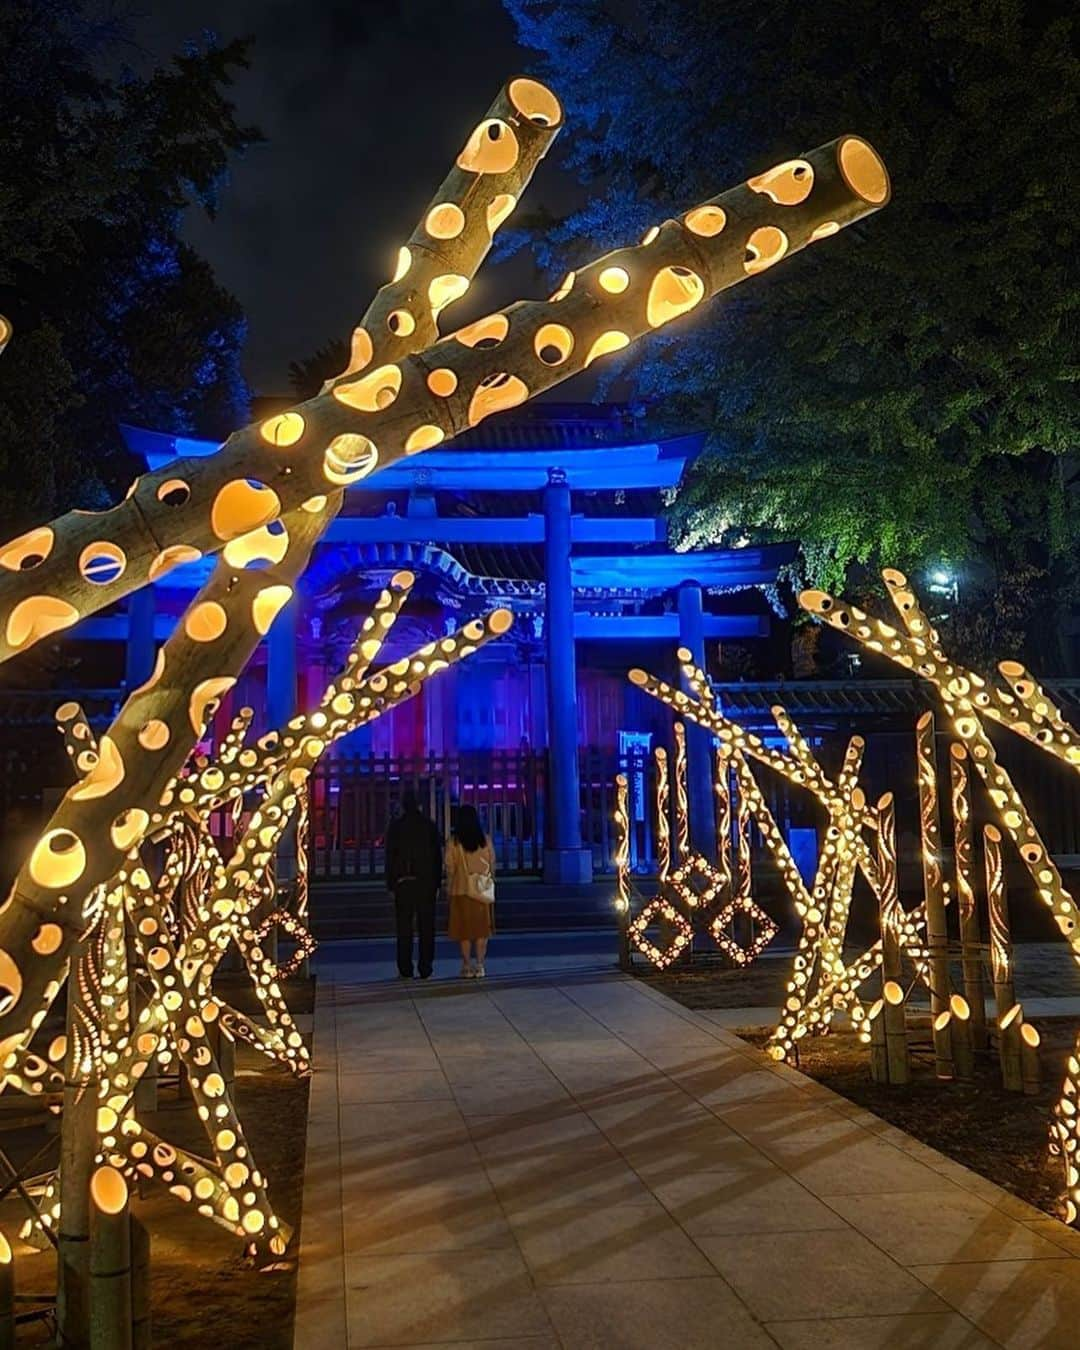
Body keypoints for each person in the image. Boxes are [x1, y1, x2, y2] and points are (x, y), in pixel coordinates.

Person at [385, 788, 442, 979]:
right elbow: (436, 857)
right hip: (426, 882)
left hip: (403, 881)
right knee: (427, 926)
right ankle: (425, 966)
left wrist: (390, 884)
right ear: (419, 805)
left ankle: (405, 966)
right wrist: (437, 883)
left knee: (404, 927)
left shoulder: (396, 827)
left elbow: (390, 858)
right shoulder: (429, 826)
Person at [446, 804, 495, 979]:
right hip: (482, 891)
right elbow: (492, 864)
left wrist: (449, 888)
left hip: (461, 890)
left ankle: (466, 965)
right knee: (482, 931)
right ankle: (480, 965)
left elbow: (450, 867)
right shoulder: (485, 840)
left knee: (464, 931)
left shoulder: (454, 842)